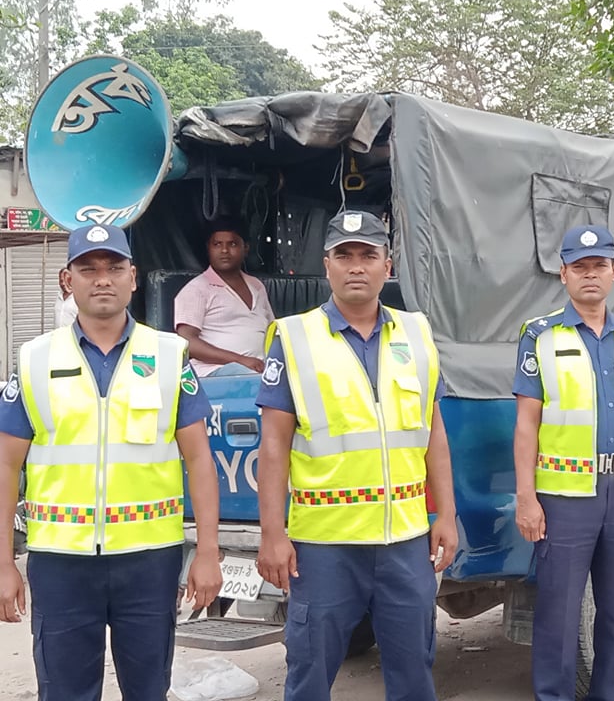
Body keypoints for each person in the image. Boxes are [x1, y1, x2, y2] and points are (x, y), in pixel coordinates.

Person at [0, 224, 222, 701]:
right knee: (64, 692)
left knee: (148, 690)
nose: (102, 279)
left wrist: (208, 552)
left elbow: (200, 459)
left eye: (114, 268)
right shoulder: (35, 359)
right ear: (68, 280)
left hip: (149, 560)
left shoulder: (169, 356)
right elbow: (6, 467)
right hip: (60, 562)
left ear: (133, 278)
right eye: (88, 269)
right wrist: (3, 563)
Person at [255, 210, 458, 701]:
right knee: (310, 672)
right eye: (343, 256)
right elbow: (274, 446)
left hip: (405, 541)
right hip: (325, 546)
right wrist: (272, 534)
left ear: (388, 266)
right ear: (326, 266)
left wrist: (447, 515)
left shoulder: (417, 333)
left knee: (414, 673)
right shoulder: (293, 337)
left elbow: (433, 432)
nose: (356, 266)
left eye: (368, 255)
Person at [512, 225, 614, 701]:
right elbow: (526, 424)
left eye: (599, 265)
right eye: (579, 267)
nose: (590, 275)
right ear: (563, 274)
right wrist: (526, 498)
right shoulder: (540, 336)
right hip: (565, 500)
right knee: (558, 617)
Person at [175, 219, 275, 377]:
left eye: (232, 244)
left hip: (259, 369)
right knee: (253, 380)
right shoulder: (196, 289)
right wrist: (240, 360)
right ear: (208, 249)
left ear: (246, 248)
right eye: (217, 244)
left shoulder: (257, 286)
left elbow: (272, 330)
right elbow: (187, 341)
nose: (224, 250)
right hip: (213, 371)